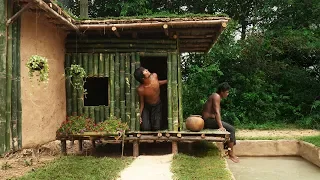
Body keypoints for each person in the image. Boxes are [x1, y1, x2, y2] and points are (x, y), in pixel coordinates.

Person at [202, 82, 239, 163]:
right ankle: (230, 154)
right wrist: (220, 126)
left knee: (229, 128)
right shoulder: (216, 96)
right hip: (208, 121)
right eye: (227, 92)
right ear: (222, 91)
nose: (228, 94)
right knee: (231, 129)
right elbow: (216, 112)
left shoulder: (216, 96)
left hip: (210, 120)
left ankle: (228, 150)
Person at [134, 67, 167, 131]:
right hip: (147, 106)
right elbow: (142, 103)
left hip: (157, 105)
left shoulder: (154, 76)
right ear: (143, 78)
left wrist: (167, 81)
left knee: (156, 127)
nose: (147, 70)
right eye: (145, 71)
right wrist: (140, 116)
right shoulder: (141, 89)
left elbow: (157, 83)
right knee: (146, 128)